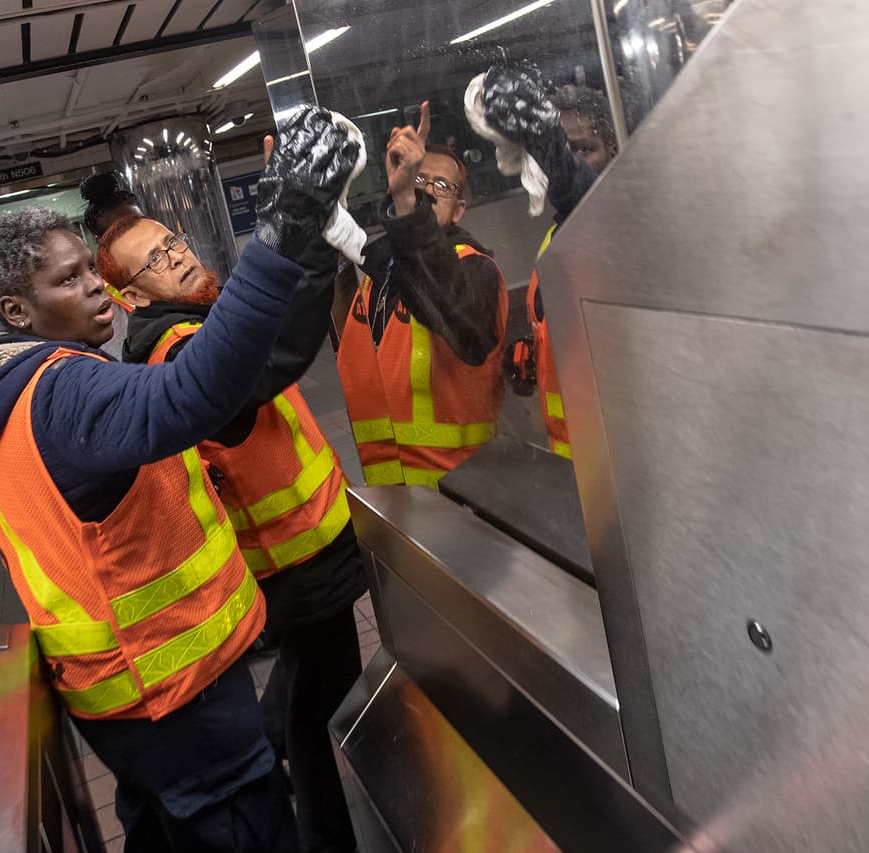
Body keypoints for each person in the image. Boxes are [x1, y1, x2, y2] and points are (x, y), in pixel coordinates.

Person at [0, 105, 358, 852]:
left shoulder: (8, 397)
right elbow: (195, 391)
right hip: (175, 693)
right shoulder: (63, 391)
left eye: (90, 270)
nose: (96, 288)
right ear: (17, 310)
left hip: (128, 701)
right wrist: (283, 229)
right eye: (70, 280)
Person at [101, 210, 366, 853]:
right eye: (155, 259)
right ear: (131, 296)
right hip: (296, 561)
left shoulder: (194, 325)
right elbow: (277, 356)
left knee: (308, 682)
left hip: (303, 552)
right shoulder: (177, 349)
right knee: (320, 703)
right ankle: (325, 835)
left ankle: (271, 764)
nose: (177, 255)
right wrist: (315, 247)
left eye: (172, 242)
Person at [337, 100, 509, 488]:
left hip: (463, 492)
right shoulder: (382, 270)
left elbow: (450, 305)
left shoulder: (476, 271)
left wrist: (406, 203)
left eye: (442, 186)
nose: (429, 190)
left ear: (459, 209)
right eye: (420, 180)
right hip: (390, 493)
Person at [484, 71, 619, 458]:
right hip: (570, 453)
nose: (577, 162)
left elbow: (582, 195)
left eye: (586, 149)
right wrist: (535, 354)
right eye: (566, 151)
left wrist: (550, 146)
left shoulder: (621, 231)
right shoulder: (554, 241)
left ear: (614, 151)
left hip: (618, 455)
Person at [80, 171, 143, 358]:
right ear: (100, 241)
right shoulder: (102, 301)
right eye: (120, 232)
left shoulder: (175, 263)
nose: (137, 237)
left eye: (140, 224)